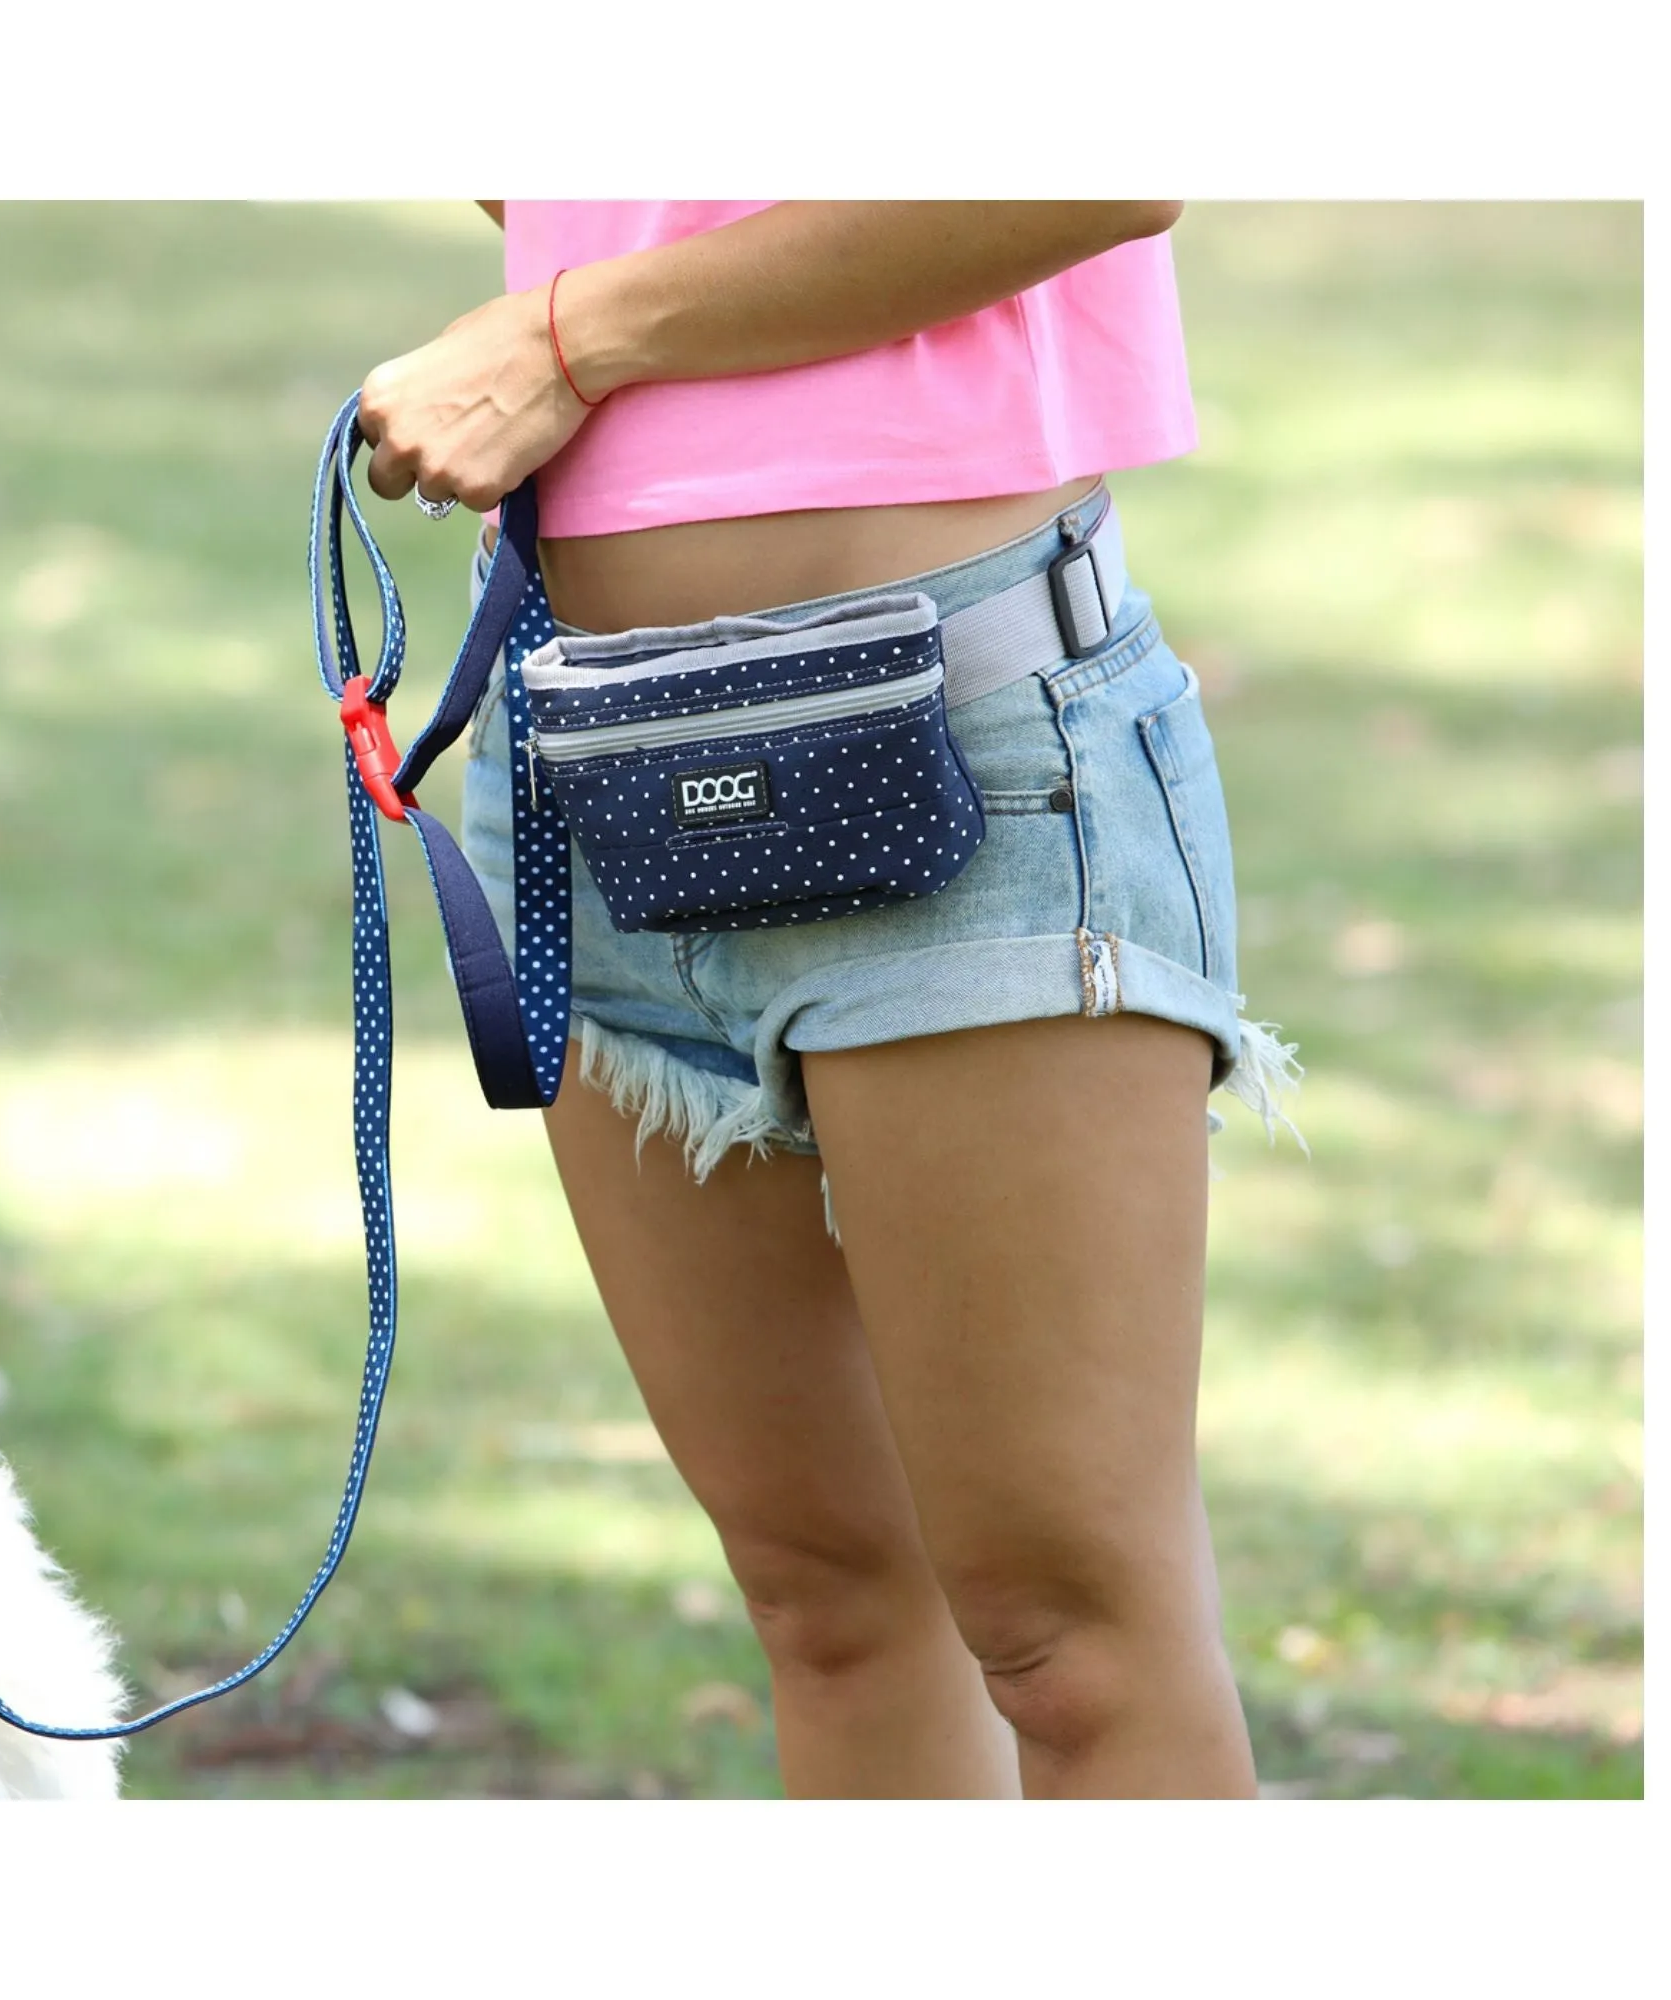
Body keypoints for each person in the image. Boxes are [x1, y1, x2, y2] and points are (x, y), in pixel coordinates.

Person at [354, 202, 1298, 1799]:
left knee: (1072, 1645)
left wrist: (571, 334)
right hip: (597, 760)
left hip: (971, 748)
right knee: (828, 1605)